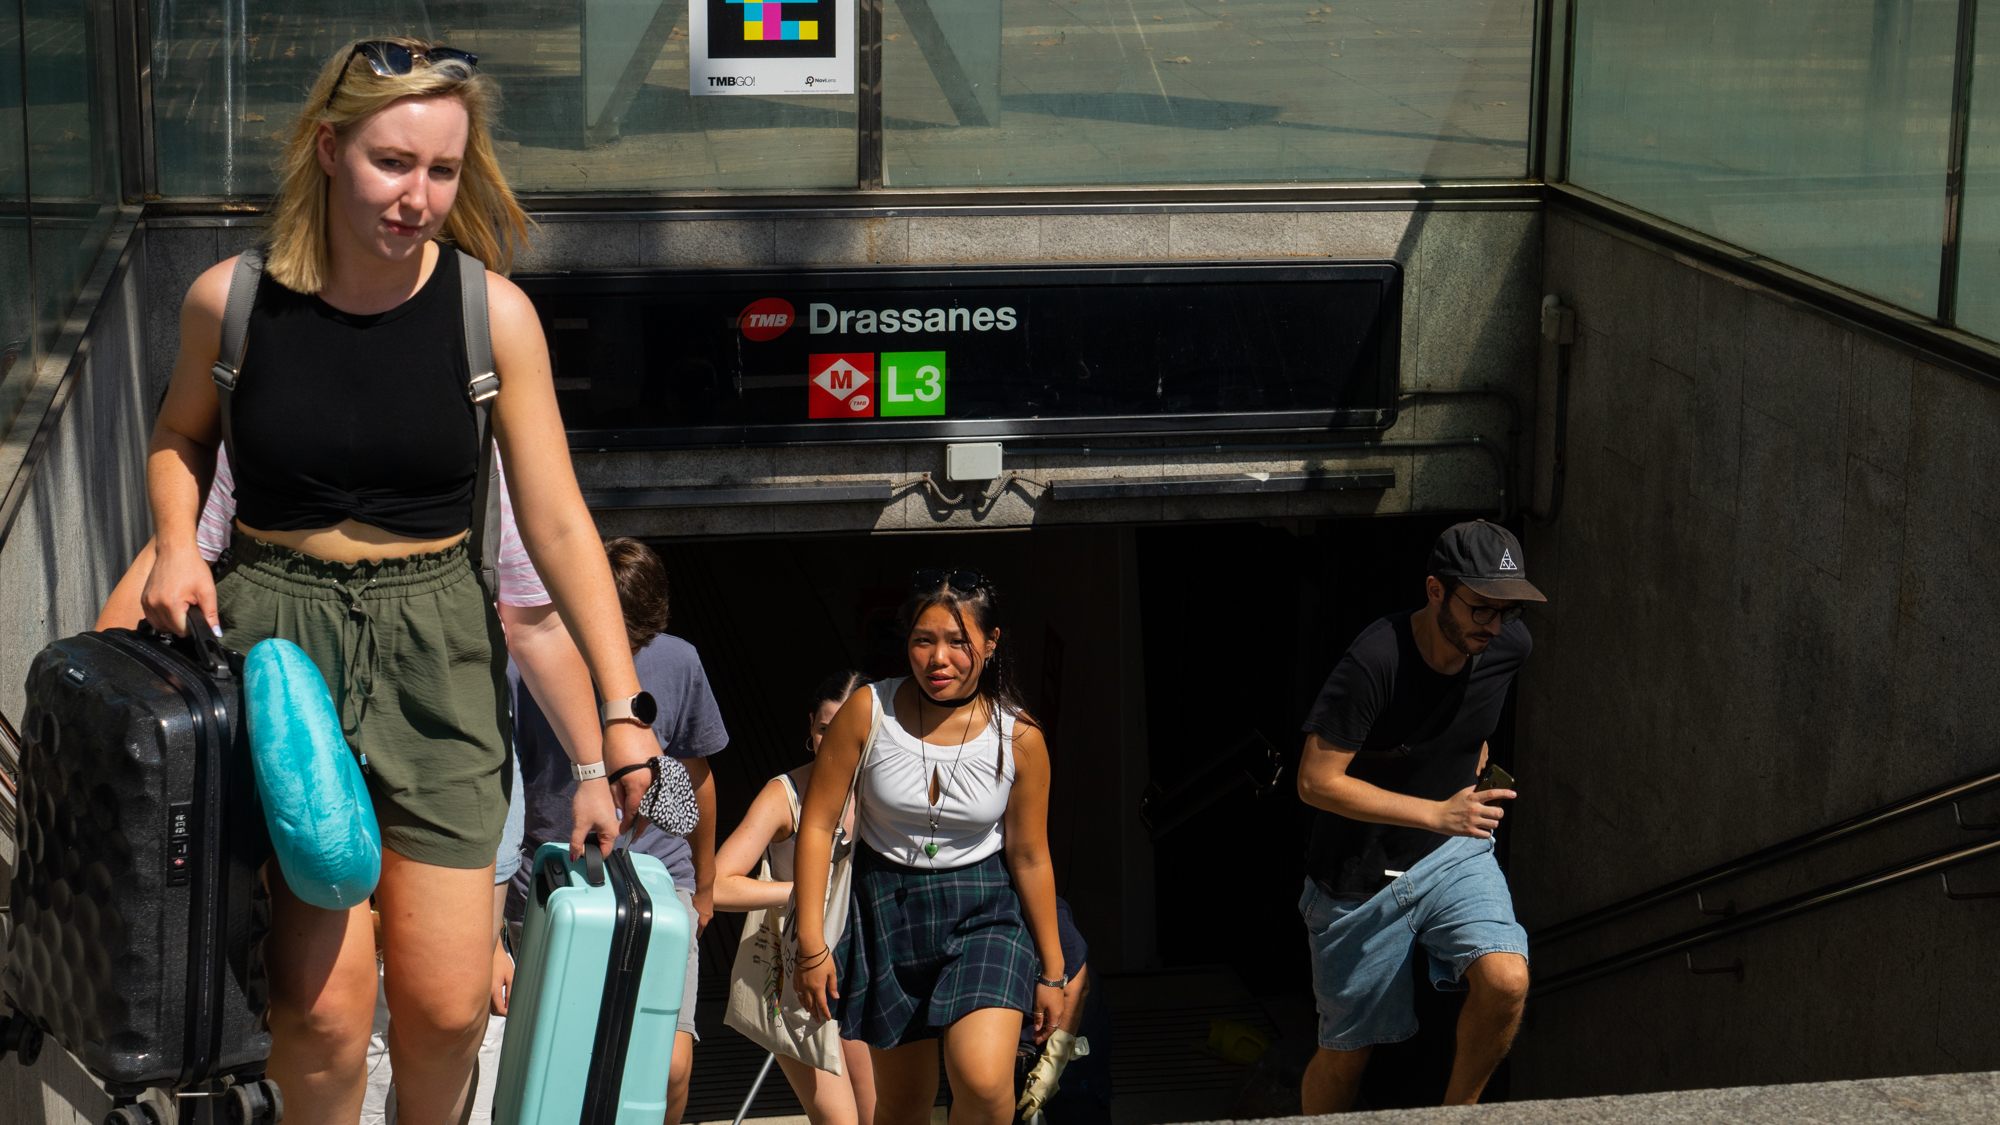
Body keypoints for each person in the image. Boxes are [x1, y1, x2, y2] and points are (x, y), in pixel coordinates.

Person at [138, 38, 659, 1125]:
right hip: (278, 644)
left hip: (438, 647)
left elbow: (559, 525)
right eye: (391, 162)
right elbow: (180, 436)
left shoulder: (491, 317)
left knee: (448, 1004)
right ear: (328, 149)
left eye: (442, 170)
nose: (417, 196)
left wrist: (620, 712)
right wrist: (181, 543)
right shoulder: (229, 302)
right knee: (321, 1014)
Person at [793, 569, 1067, 1125]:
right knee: (902, 1103)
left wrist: (1054, 972)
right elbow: (817, 825)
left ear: (990, 645)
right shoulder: (868, 710)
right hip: (886, 906)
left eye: (958, 642)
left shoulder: (1021, 738)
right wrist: (811, 943)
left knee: (985, 1081)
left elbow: (1030, 855)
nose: (938, 658)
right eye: (924, 640)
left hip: (986, 912)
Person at [1292, 520, 1541, 1113]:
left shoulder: (1509, 646)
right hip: (1358, 881)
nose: (1494, 625)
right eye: (1481, 609)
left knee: (1508, 979)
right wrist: (1436, 811)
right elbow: (1313, 781)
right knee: (1346, 1056)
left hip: (1453, 856)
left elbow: (1471, 726)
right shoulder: (1376, 660)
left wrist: (1471, 776)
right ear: (1436, 591)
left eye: (1506, 611)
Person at [501, 536, 727, 1125]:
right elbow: (501, 786)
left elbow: (697, 780)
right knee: (556, 1061)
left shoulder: (679, 661)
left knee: (669, 1065)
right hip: (549, 880)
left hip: (658, 879)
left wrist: (704, 886)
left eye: (635, 640)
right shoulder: (526, 663)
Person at [714, 670, 878, 1125]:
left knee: (878, 1116)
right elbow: (717, 884)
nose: (835, 740)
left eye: (847, 729)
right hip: (800, 981)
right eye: (826, 728)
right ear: (811, 727)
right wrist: (800, 892)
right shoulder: (784, 795)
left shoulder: (885, 794)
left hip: (863, 976)